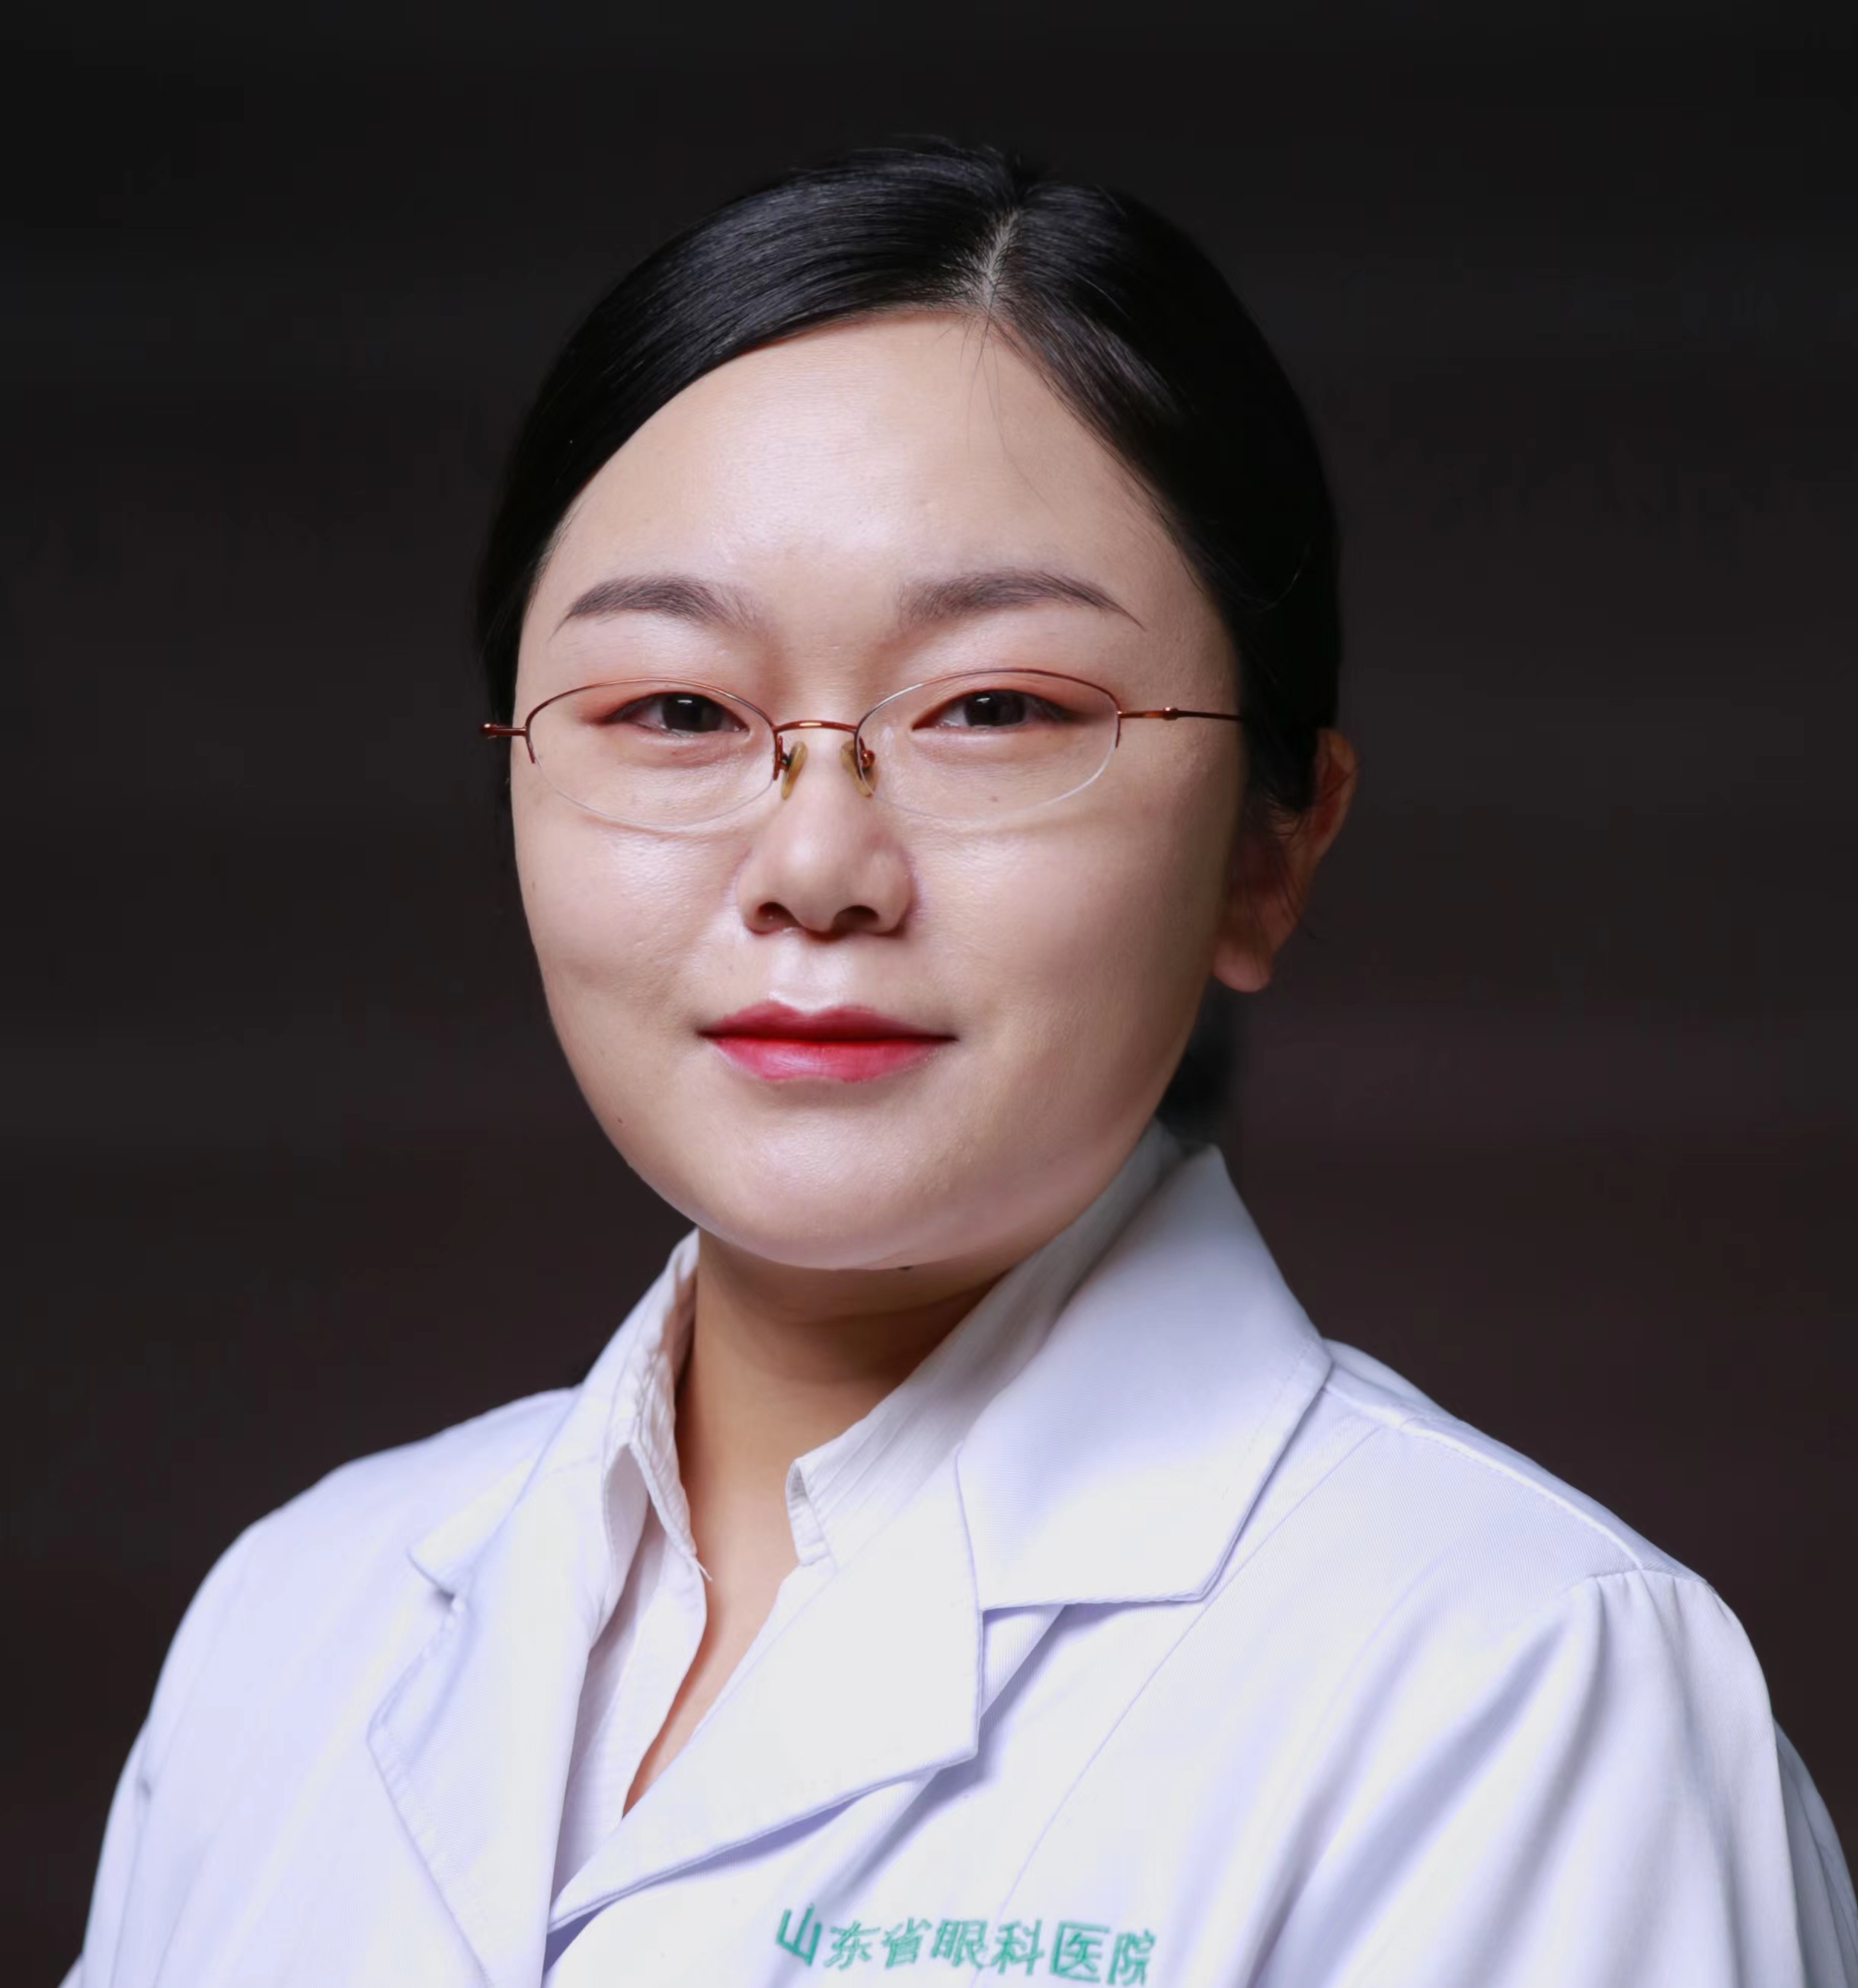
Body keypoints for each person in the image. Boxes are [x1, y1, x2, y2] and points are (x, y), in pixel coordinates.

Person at [62, 140, 1854, 1988]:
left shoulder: (1523, 1694)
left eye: (994, 709)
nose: (814, 865)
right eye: (672, 709)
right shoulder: (300, 1621)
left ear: (1270, 848)